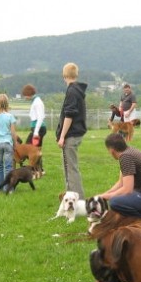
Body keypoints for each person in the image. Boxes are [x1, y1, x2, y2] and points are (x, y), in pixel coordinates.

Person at [56, 62, 87, 199]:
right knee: (70, 168)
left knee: (70, 169)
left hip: (71, 135)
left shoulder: (72, 91)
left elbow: (69, 115)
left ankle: (77, 200)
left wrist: (62, 136)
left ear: (64, 76)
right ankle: (71, 197)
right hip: (77, 133)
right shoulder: (77, 90)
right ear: (76, 74)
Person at [0, 94, 18, 192]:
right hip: (7, 143)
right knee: (8, 167)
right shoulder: (10, 116)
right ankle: (9, 189)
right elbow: (13, 133)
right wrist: (15, 144)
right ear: (7, 103)